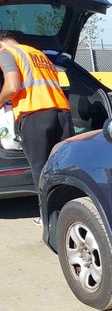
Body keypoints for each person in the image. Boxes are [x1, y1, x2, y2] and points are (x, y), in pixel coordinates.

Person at [0, 30, 74, 223]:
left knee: (41, 169)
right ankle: (70, 213)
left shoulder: (7, 53)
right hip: (62, 112)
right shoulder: (38, 53)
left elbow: (12, 87)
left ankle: (48, 219)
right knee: (64, 168)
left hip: (35, 114)